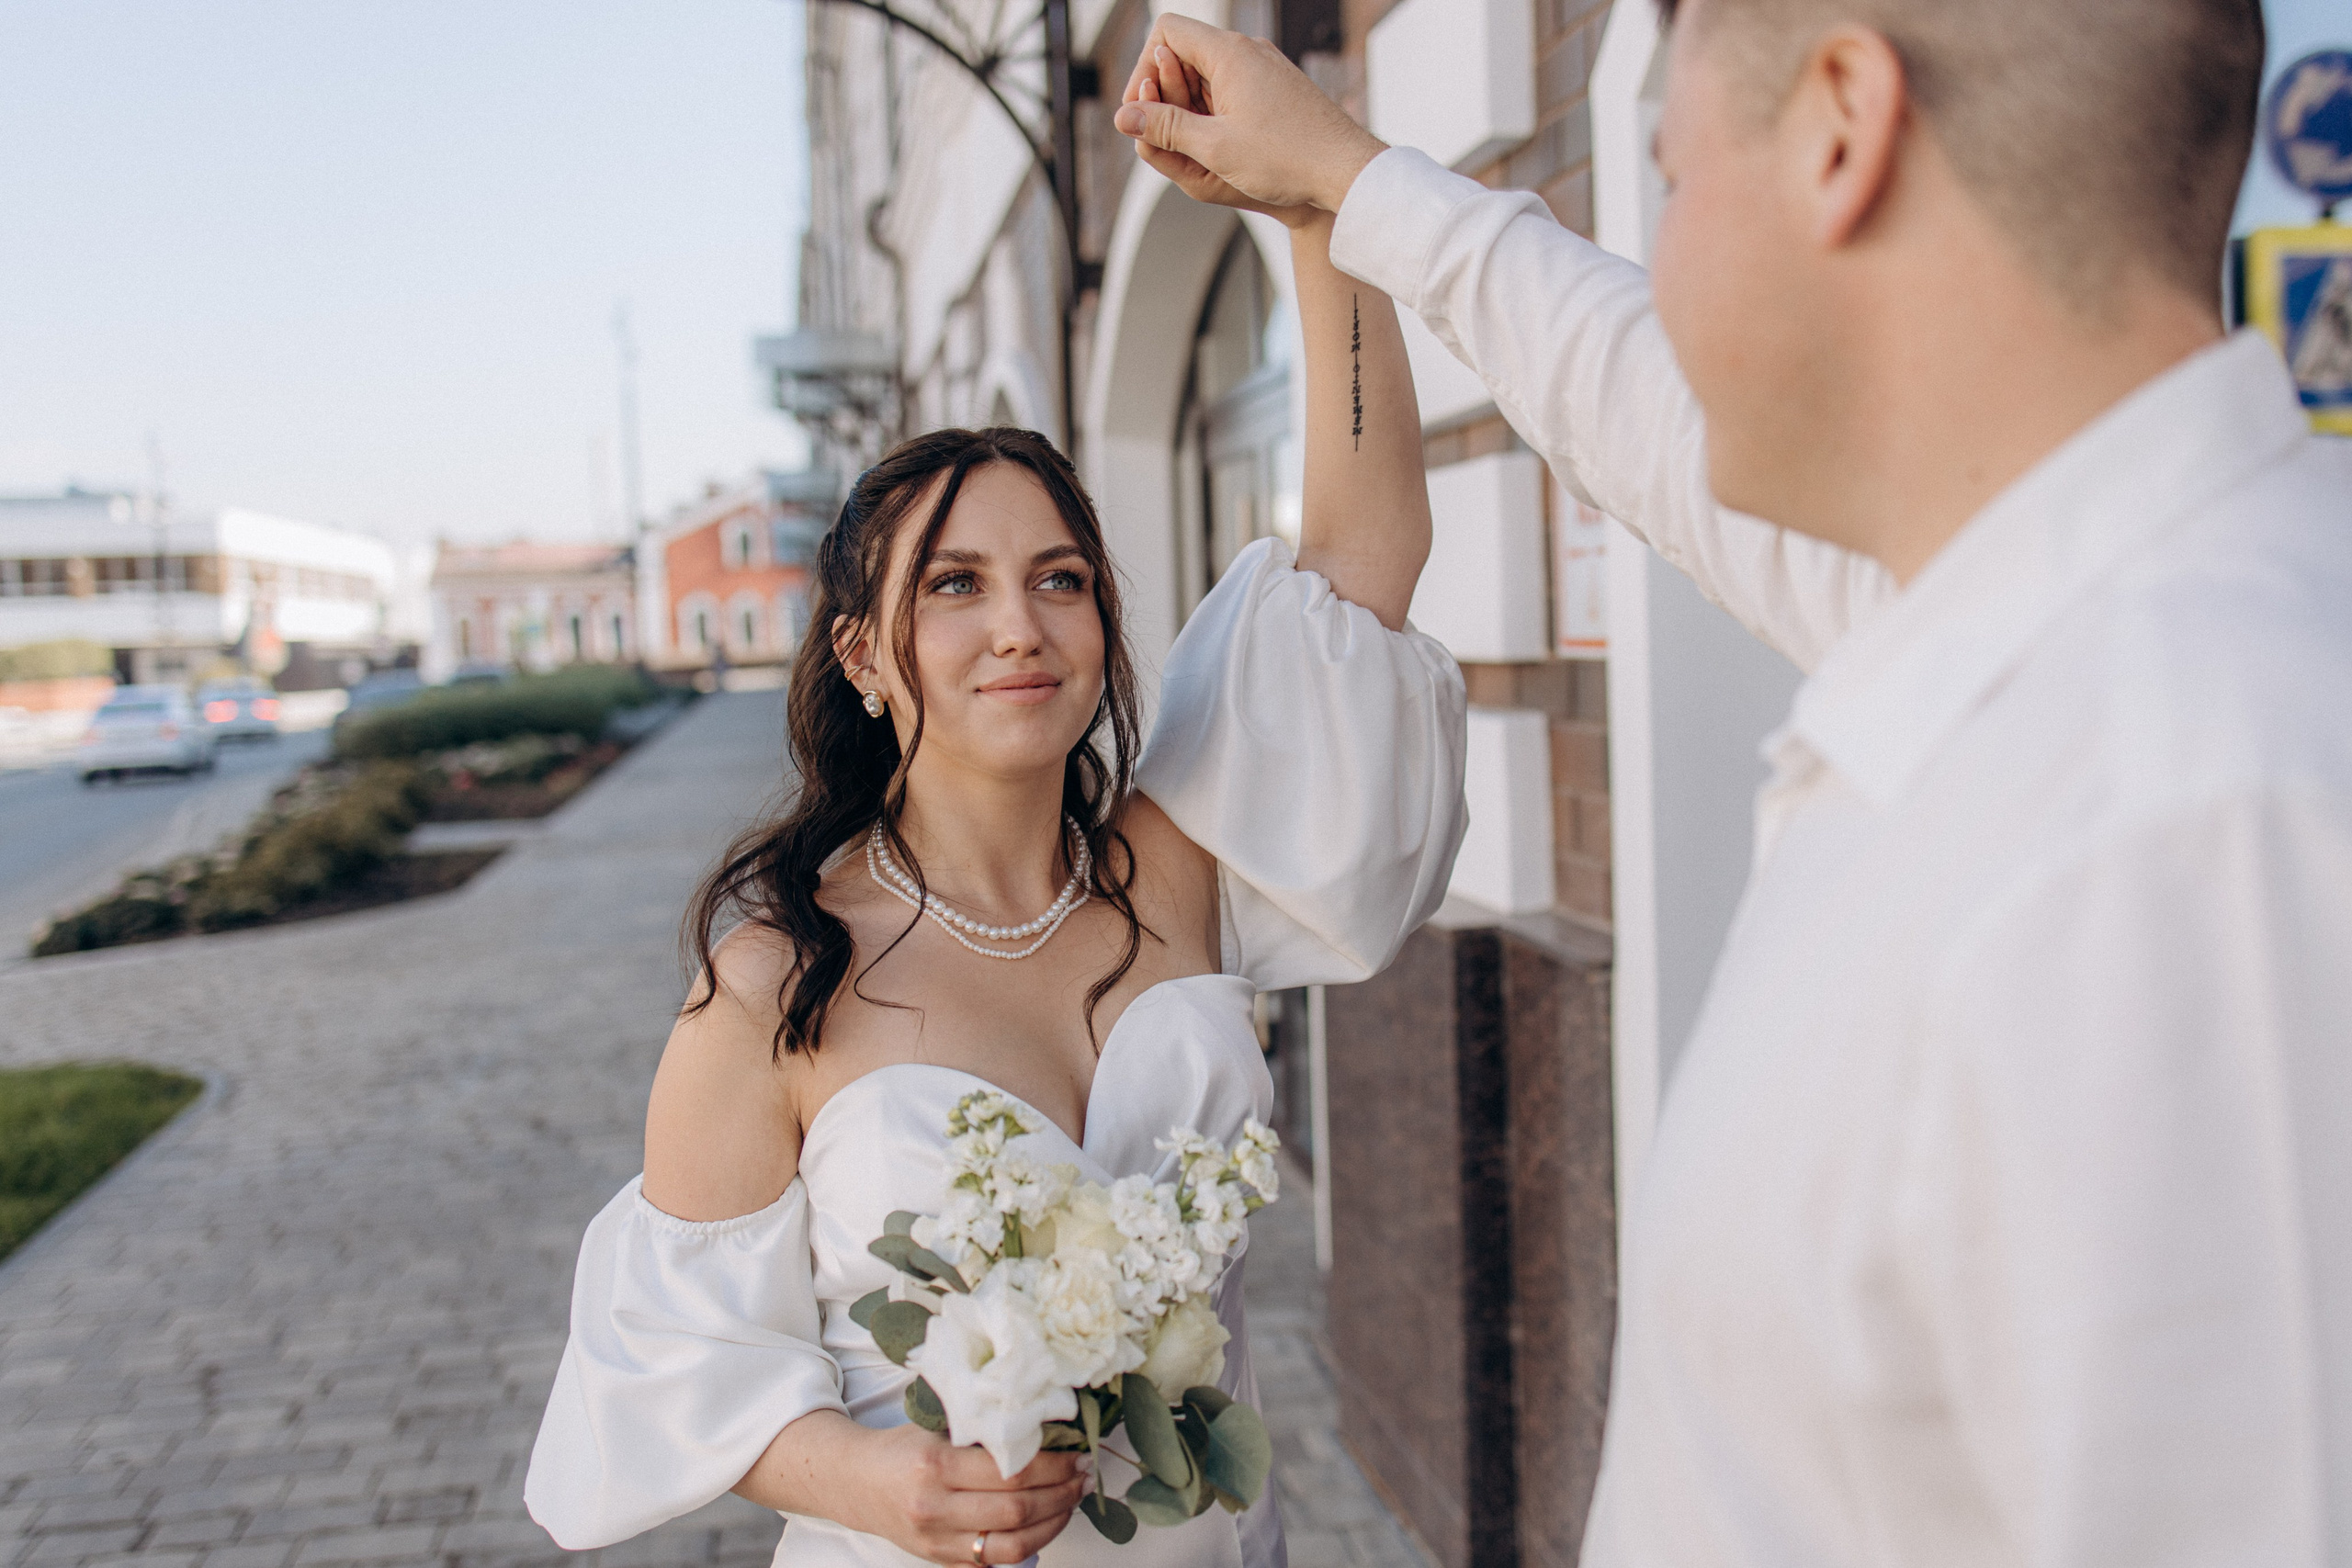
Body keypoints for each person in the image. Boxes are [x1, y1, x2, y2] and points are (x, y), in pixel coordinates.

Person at [1113, 3, 2352, 1564]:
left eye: (1670, 179)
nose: (1663, 258)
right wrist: (1343, 186)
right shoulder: (2050, 622)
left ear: (1842, 127)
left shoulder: (2204, 832)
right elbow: (1643, 410)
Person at [521, 53, 1466, 1568]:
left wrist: (1318, 210)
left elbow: (1363, 557)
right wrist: (873, 1486)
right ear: (862, 656)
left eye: (1061, 579)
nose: (1017, 626)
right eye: (953, 587)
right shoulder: (776, 979)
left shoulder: (1176, 869)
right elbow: (667, 1363)